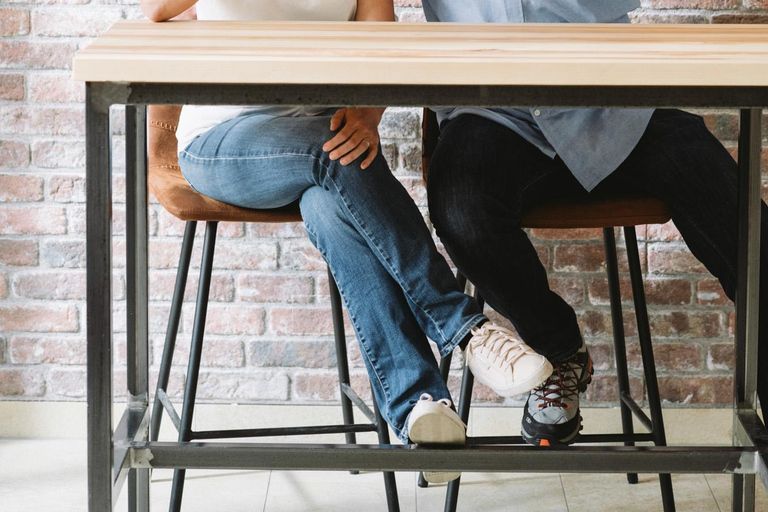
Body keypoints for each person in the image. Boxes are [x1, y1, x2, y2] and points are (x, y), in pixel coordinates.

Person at [141, 0, 554, 482]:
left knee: (332, 202)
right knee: (333, 154)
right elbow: (156, 9)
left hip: (324, 148)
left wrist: (368, 115)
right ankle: (464, 329)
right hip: (222, 141)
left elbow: (383, 45)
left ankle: (420, 405)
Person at [423, 0, 768, 446]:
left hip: (607, 99)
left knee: (721, 192)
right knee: (461, 210)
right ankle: (560, 351)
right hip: (493, 112)